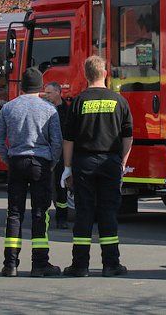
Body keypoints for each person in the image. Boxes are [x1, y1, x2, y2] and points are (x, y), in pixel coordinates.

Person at [60, 55, 133, 278]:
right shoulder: (119, 101)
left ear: (85, 74)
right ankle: (111, 264)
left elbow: (69, 139)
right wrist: (122, 162)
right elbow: (128, 136)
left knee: (84, 213)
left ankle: (80, 265)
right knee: (108, 213)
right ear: (105, 73)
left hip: (84, 162)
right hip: (110, 162)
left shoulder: (79, 102)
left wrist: (67, 167)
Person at [0, 66, 62, 278]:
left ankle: (10, 264)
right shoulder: (49, 109)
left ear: (22, 86)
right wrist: (50, 163)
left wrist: (9, 159)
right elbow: (57, 142)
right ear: (41, 87)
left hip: (16, 161)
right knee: (40, 213)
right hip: (40, 163)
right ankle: (40, 264)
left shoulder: (9, 108)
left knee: (14, 213)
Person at [43, 82, 71, 230]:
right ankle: (44, 218)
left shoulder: (67, 110)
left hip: (62, 154)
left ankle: (62, 218)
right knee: (46, 187)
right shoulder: (45, 108)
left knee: (61, 188)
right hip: (47, 152)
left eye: (49, 93)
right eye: (45, 93)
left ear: (58, 92)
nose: (46, 96)